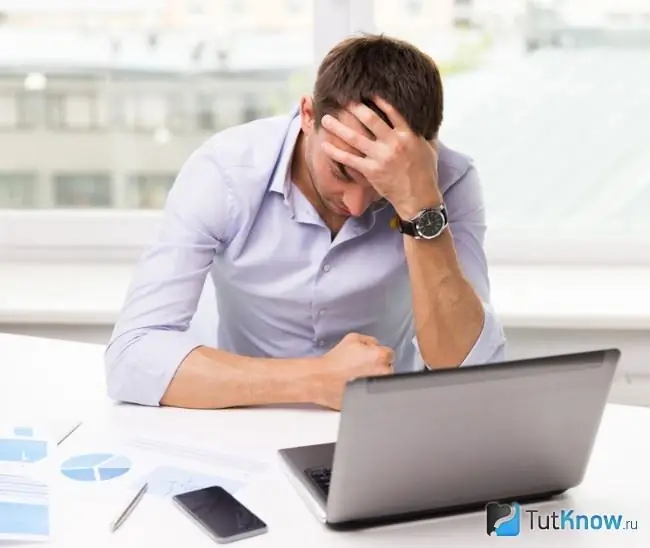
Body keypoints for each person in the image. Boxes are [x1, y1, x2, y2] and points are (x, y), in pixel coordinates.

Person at [105, 34, 506, 411]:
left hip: (382, 425)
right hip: (241, 417)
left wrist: (419, 207)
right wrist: (314, 380)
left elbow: (468, 371)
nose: (356, 204)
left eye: (382, 185)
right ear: (308, 115)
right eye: (343, 171)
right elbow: (132, 357)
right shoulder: (225, 171)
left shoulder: (447, 181)